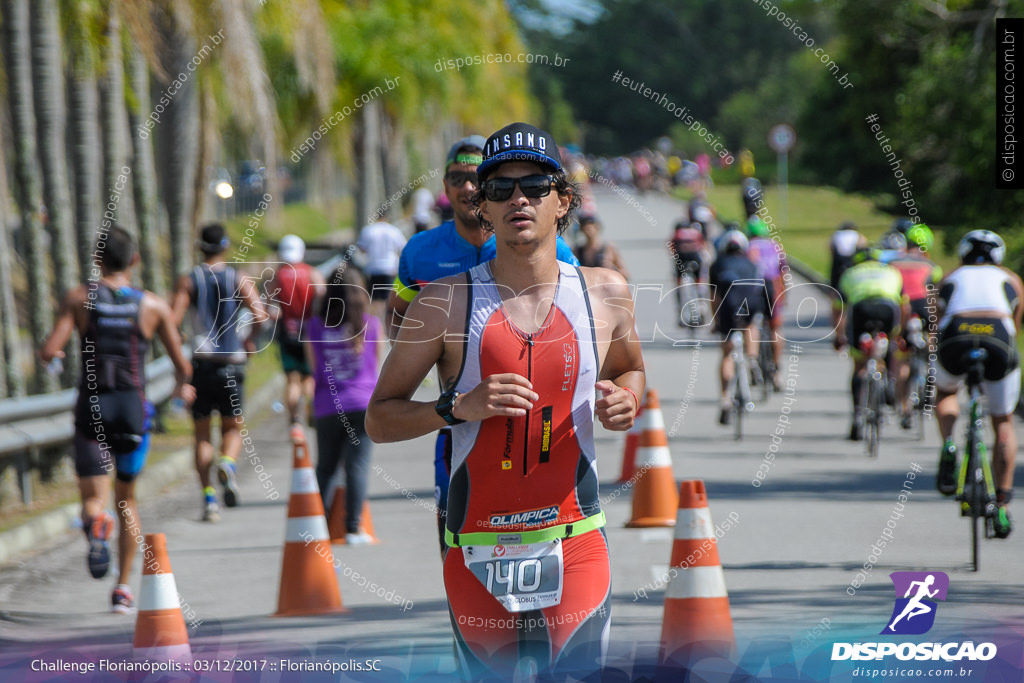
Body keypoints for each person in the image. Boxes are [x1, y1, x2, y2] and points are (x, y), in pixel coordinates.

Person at [367, 122, 644, 681]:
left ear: (562, 201)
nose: (518, 198)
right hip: (476, 547)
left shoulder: (606, 292)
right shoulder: (443, 303)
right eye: (499, 188)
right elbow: (378, 419)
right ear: (482, 207)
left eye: (536, 185)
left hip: (574, 541)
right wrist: (453, 408)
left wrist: (626, 400)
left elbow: (630, 370)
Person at [385, 134, 580, 555]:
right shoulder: (421, 251)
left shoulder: (543, 241)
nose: (466, 187)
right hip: (461, 423)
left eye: (475, 177)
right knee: (457, 541)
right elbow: (397, 311)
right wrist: (412, 355)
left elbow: (579, 314)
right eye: (456, 177)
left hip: (544, 428)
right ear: (446, 186)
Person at [40, 226, 195, 612]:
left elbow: (50, 348)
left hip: (92, 407)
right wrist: (181, 388)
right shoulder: (154, 306)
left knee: (95, 498)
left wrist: (54, 358)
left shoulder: (79, 298)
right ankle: (123, 589)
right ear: (135, 260)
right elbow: (181, 363)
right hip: (131, 409)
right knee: (128, 502)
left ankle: (96, 524)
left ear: (97, 261)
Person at [171, 223, 266, 522]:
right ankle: (227, 462)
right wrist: (249, 338)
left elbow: (172, 320)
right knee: (232, 429)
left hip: (201, 364)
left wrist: (182, 340)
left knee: (201, 436)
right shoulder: (237, 277)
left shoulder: (190, 280)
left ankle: (209, 500)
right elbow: (260, 314)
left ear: (200, 247)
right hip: (232, 364)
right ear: (225, 247)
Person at [933, 230, 1021, 538]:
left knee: (945, 391)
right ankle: (1003, 504)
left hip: (956, 333)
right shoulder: (1010, 278)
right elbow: (1016, 324)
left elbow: (938, 319)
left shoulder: (951, 276)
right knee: (1003, 420)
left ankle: (948, 443)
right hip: (998, 336)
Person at [305, 264, 381, 545]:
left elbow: (314, 369)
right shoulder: (372, 324)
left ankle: (316, 527)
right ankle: (352, 528)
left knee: (325, 467)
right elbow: (376, 366)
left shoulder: (315, 325)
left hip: (327, 405)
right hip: (363, 405)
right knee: (357, 466)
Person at [834, 247, 906, 441]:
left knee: (859, 364)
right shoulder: (891, 271)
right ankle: (890, 382)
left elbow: (839, 309)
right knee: (890, 343)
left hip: (861, 309)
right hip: (887, 307)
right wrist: (901, 333)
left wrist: (839, 336)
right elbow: (904, 305)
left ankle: (858, 413)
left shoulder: (850, 273)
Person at [267, 235, 325, 438]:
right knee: (310, 378)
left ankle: (294, 423)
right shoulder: (312, 273)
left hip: (287, 334)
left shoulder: (278, 276)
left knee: (292, 380)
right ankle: (312, 411)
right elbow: (322, 296)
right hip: (311, 334)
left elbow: (269, 306)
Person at [709, 230, 769, 425]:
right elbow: (761, 288)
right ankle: (752, 360)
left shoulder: (717, 264)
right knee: (751, 326)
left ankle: (725, 398)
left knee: (727, 354)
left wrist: (716, 321)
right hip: (750, 302)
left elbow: (714, 297)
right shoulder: (751, 264)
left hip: (729, 305)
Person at [886, 225, 942, 428]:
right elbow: (935, 296)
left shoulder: (893, 263)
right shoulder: (932, 266)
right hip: (924, 306)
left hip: (903, 306)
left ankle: (905, 408)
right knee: (931, 342)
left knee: (902, 359)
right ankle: (931, 371)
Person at [746, 217, 787, 388]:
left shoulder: (747, 246)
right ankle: (776, 370)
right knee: (775, 328)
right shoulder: (776, 246)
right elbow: (783, 273)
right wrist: (783, 296)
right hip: (772, 286)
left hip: (752, 287)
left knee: (751, 324)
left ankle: (753, 359)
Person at [356, 220, 407, 321]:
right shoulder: (394, 230)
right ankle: (384, 323)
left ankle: (375, 321)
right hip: (389, 268)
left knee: (373, 299)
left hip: (372, 269)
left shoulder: (368, 230)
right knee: (387, 299)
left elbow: (361, 249)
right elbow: (403, 249)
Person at [669, 219, 708, 327]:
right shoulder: (696, 232)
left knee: (678, 284)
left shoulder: (677, 233)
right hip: (695, 256)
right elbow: (703, 246)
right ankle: (702, 307)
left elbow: (671, 248)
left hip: (681, 257)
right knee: (700, 282)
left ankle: (680, 312)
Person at [829, 221, 867, 296]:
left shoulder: (836, 234)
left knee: (834, 285)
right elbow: (863, 245)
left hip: (838, 261)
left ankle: (834, 300)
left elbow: (830, 248)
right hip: (853, 261)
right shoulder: (858, 235)